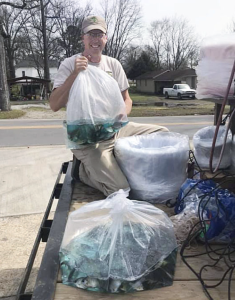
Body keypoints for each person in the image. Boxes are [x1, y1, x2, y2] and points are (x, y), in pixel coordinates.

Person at [49, 15, 169, 196]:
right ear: (83, 38)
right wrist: (74, 74)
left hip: (114, 129)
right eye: (91, 34)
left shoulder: (113, 64)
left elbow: (127, 100)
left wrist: (121, 115)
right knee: (120, 190)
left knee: (163, 135)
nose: (95, 39)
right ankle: (83, 172)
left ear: (106, 38)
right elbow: (54, 105)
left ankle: (120, 168)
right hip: (87, 138)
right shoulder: (69, 64)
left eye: (100, 34)